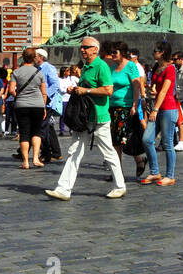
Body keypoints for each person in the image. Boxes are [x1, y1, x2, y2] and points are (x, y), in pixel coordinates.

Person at [46, 36, 127, 200]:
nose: (82, 50)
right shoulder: (87, 67)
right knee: (74, 151)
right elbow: (85, 88)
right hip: (84, 118)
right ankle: (63, 189)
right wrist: (74, 90)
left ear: (95, 49)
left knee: (108, 153)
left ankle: (120, 186)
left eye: (86, 47)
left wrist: (86, 91)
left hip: (99, 117)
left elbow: (108, 90)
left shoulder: (101, 66)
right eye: (81, 47)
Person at [139, 41, 180, 187]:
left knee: (167, 143)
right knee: (147, 139)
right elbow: (158, 88)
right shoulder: (157, 67)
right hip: (157, 105)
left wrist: (155, 109)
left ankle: (170, 176)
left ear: (162, 52)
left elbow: (165, 91)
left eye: (156, 50)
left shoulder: (170, 68)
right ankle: (155, 172)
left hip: (167, 108)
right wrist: (151, 90)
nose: (153, 52)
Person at [106, 41, 146, 177]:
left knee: (123, 139)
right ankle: (119, 171)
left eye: (114, 52)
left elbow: (136, 86)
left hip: (125, 107)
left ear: (122, 53)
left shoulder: (130, 66)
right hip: (112, 107)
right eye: (111, 52)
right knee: (115, 141)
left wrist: (135, 105)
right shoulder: (112, 67)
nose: (112, 55)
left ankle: (136, 161)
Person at [10, 48, 48, 169]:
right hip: (38, 105)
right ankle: (36, 158)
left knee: (24, 132)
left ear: (23, 57)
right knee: (36, 132)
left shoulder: (16, 72)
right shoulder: (39, 73)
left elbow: (11, 90)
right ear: (34, 58)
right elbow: (44, 93)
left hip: (22, 105)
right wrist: (44, 107)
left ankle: (25, 161)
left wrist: (19, 96)